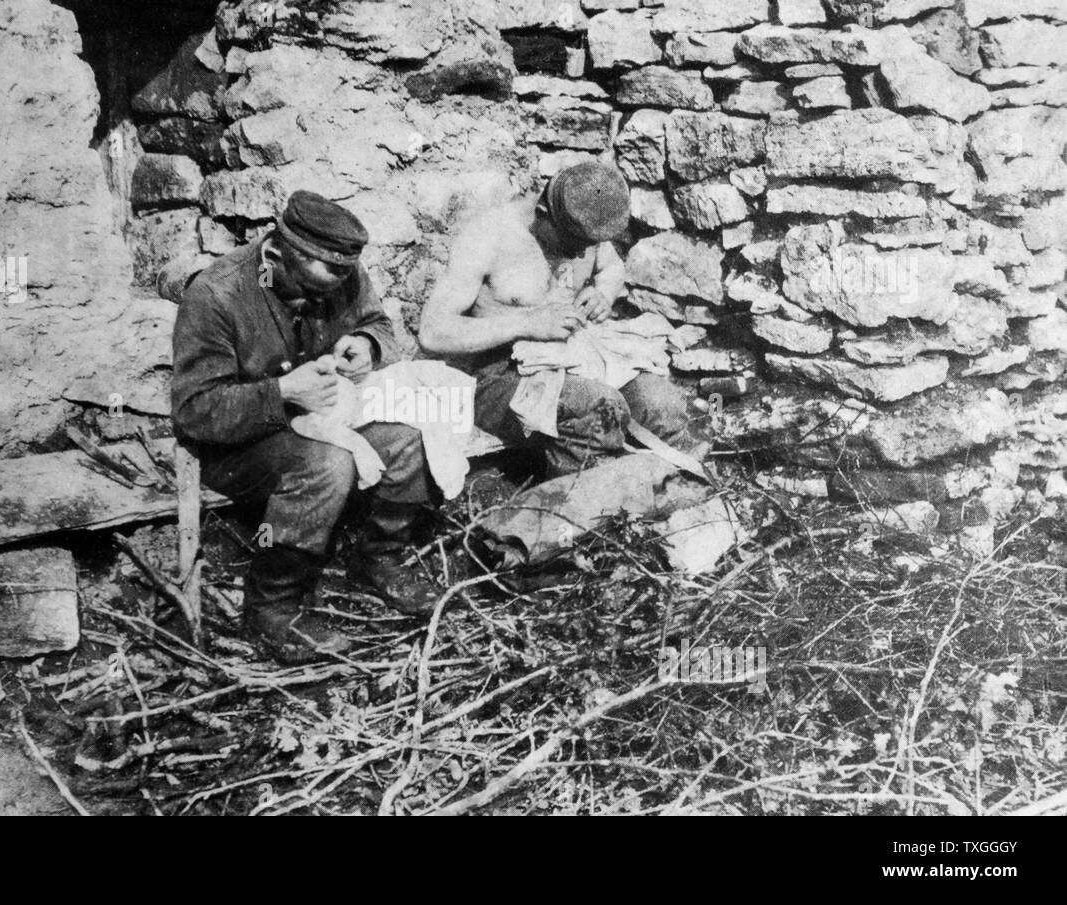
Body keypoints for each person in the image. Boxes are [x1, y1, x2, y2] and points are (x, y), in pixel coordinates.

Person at [171, 191, 439, 664]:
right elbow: (195, 412)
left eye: (342, 277)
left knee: (406, 440)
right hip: (239, 446)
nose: (332, 292)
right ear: (275, 256)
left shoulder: (339, 272)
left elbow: (378, 323)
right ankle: (272, 606)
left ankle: (379, 556)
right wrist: (281, 393)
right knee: (327, 465)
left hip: (321, 421)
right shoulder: (217, 294)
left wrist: (365, 343)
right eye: (314, 290)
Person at [418, 161, 696, 477]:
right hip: (500, 375)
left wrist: (603, 292)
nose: (580, 256)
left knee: (661, 402)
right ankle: (593, 512)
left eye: (588, 247)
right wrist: (526, 322)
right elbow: (433, 331)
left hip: (577, 358)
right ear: (544, 214)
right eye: (573, 245)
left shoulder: (582, 226)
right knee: (596, 408)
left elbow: (611, 268)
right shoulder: (490, 235)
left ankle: (679, 494)